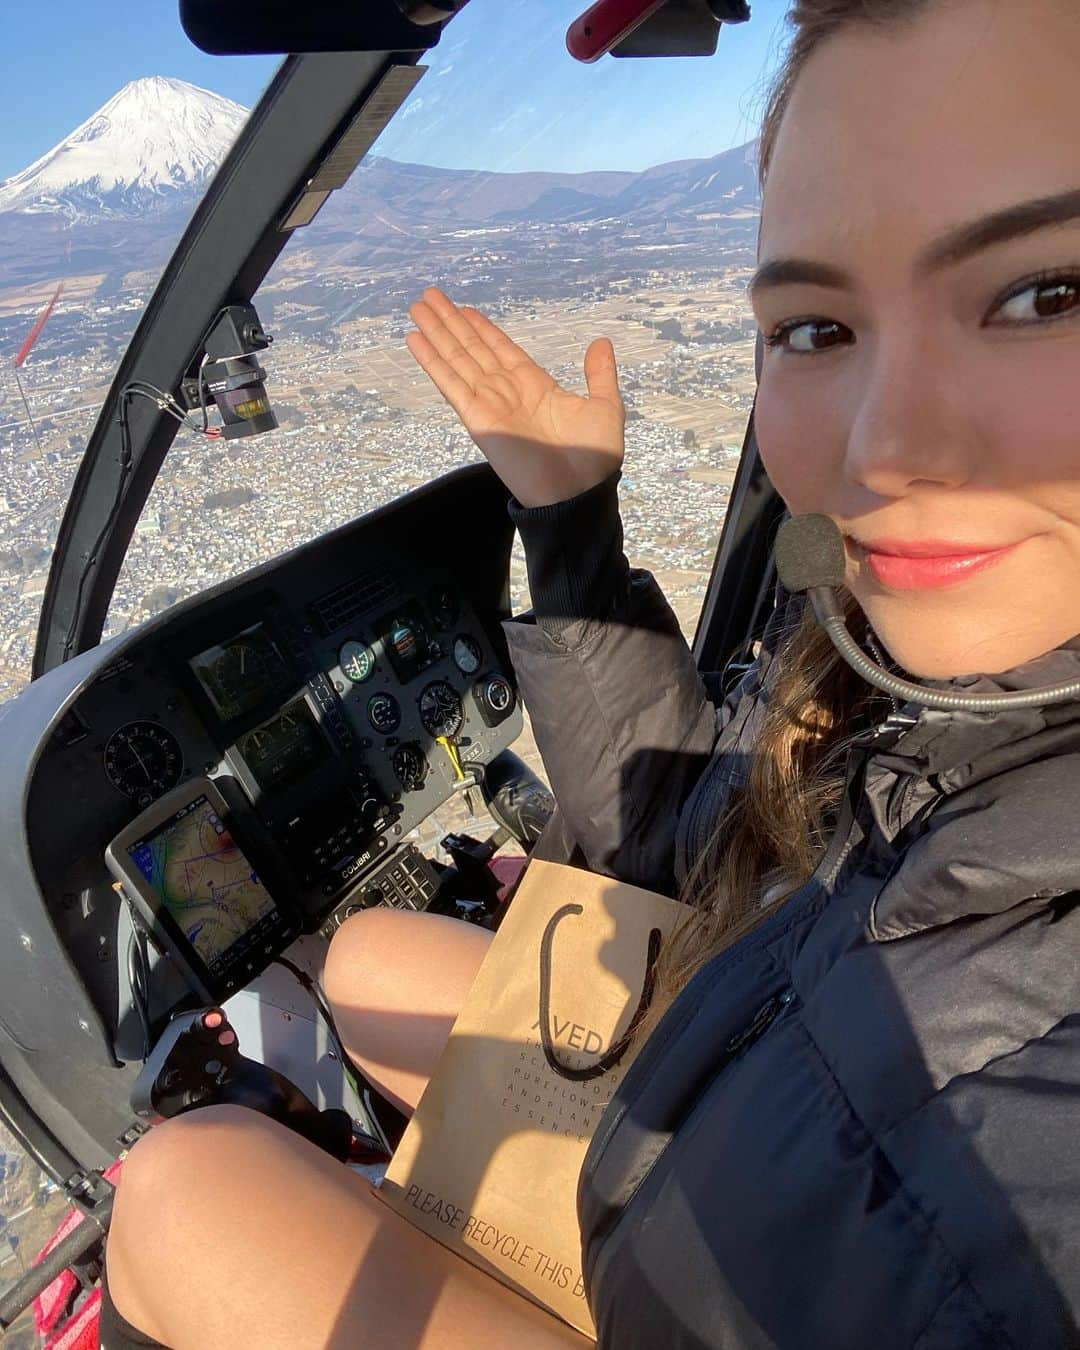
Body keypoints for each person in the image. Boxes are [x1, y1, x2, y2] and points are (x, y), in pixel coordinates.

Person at [100, 0, 1080, 1345]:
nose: (887, 442)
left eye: (1044, 295)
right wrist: (568, 523)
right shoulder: (954, 703)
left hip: (743, 1238)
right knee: (367, 951)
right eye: (815, 326)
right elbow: (714, 846)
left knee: (178, 1188)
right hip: (754, 1106)